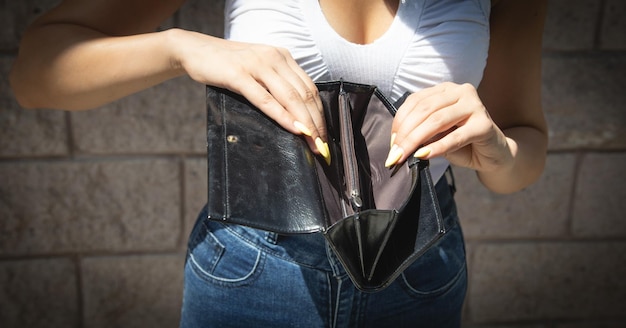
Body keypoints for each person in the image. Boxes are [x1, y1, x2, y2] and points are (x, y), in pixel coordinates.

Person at [9, 0, 548, 326]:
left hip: (418, 265)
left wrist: (499, 152)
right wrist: (182, 48)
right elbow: (36, 74)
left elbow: (523, 146)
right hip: (257, 267)